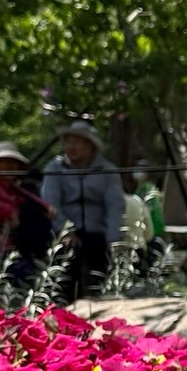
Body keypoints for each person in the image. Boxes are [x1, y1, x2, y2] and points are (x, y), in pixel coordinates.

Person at [41, 121, 126, 300]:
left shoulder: (107, 170)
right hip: (66, 234)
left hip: (98, 233)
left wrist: (113, 238)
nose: (71, 147)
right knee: (64, 283)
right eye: (68, 142)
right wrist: (65, 230)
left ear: (91, 146)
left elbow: (115, 205)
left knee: (98, 281)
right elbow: (51, 203)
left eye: (77, 142)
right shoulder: (54, 168)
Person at [0, 144, 54, 290]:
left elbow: (29, 199)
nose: (10, 166)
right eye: (4, 162)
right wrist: (10, 212)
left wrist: (46, 208)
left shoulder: (9, 186)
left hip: (4, 246)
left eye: (14, 163)